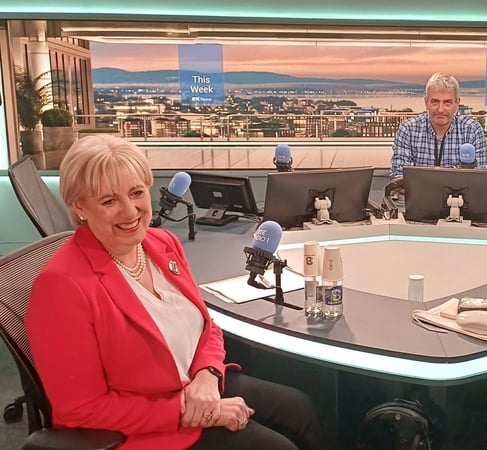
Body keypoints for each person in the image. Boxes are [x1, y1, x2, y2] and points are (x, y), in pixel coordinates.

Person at [25, 135, 322, 450]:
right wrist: (194, 411)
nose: (130, 211)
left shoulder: (162, 243)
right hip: (146, 426)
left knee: (301, 409)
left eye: (136, 192)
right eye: (109, 201)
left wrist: (207, 376)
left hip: (194, 382)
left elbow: (206, 326)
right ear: (79, 207)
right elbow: (82, 410)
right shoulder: (61, 287)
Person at [389, 72, 487, 180]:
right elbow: (398, 176)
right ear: (426, 102)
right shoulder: (408, 129)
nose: (440, 109)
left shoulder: (472, 130)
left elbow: (481, 178)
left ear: (457, 103)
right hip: (419, 196)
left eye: (447, 102)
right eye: (435, 102)